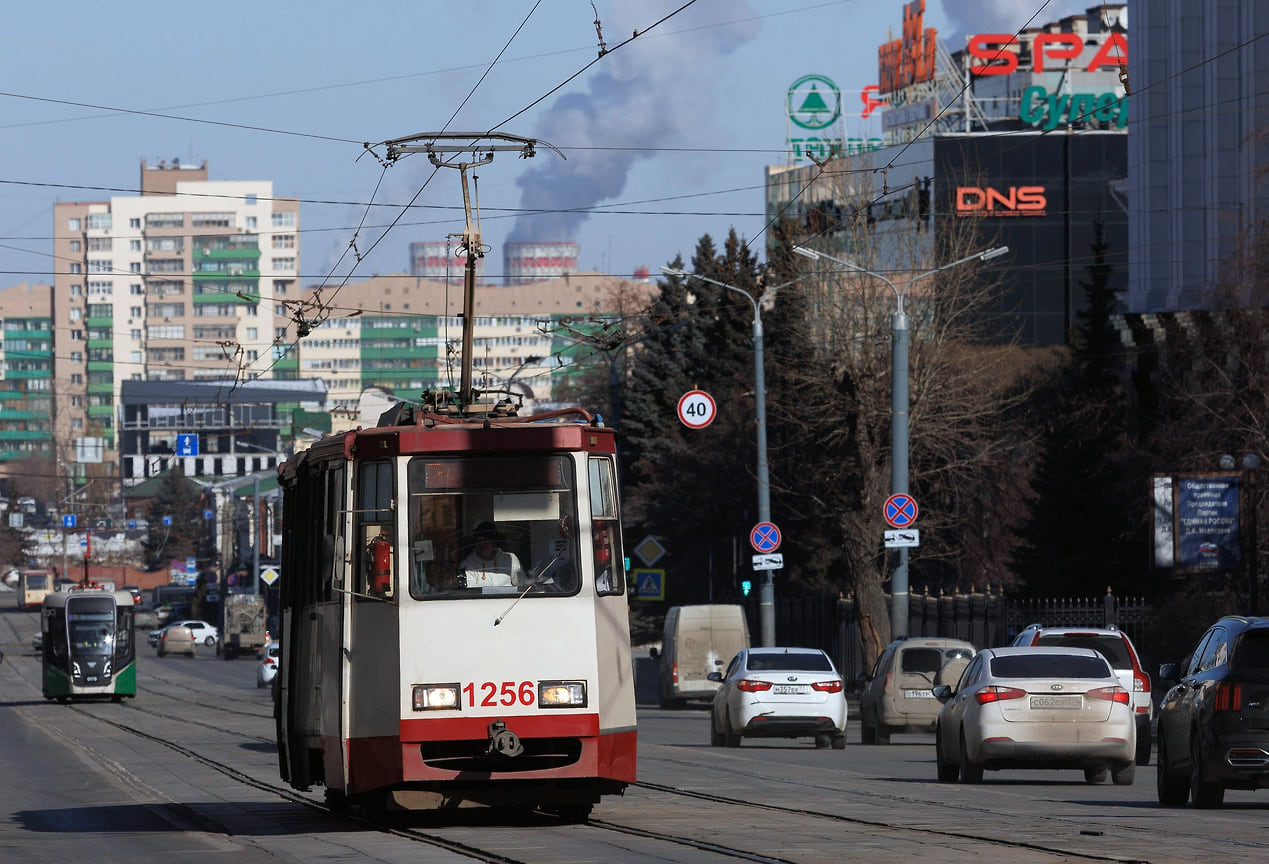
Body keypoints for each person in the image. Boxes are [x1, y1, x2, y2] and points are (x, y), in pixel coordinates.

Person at [460, 522, 525, 588]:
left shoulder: (510, 559)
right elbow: (470, 593)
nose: (482, 544)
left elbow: (521, 585)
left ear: (493, 542)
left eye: (485, 541)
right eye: (479, 541)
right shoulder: (467, 564)